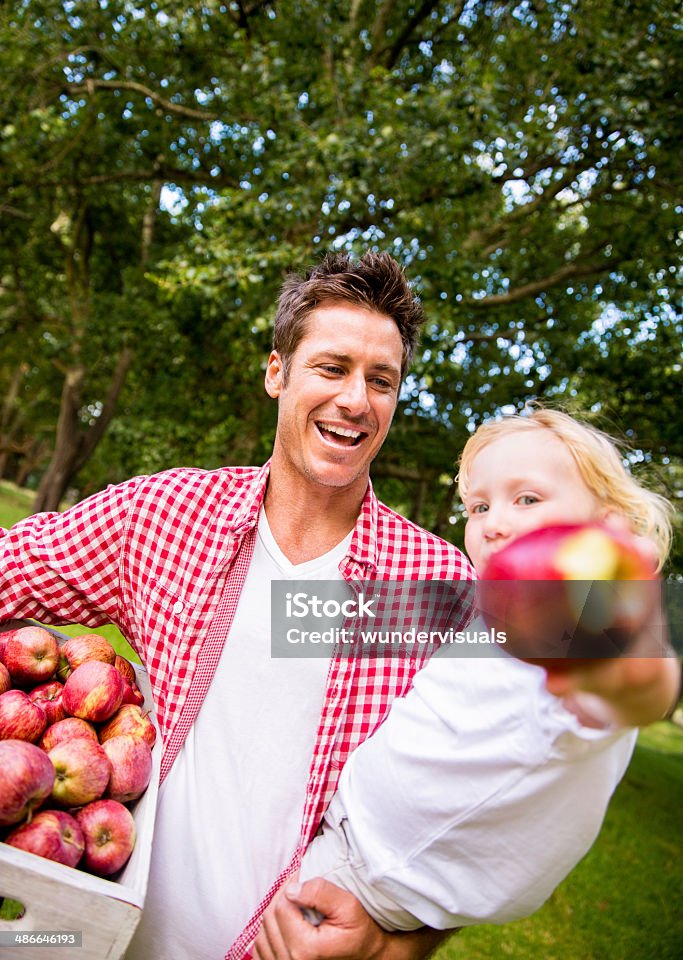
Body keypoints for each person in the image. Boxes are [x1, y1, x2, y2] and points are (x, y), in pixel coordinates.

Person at [1, 251, 477, 960]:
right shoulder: (166, 513)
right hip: (91, 933)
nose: (356, 399)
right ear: (275, 372)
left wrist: (399, 946)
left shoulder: (436, 585)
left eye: (382, 380)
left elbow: (486, 797)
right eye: (331, 367)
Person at [253, 407, 679, 955]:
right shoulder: (498, 618)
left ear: (609, 525)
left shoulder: (578, 628)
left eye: (527, 499)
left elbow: (641, 691)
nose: (493, 522)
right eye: (479, 506)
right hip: (345, 843)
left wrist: (630, 651)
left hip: (364, 877)